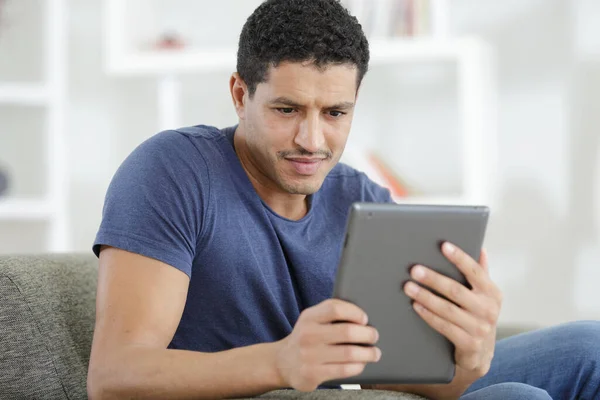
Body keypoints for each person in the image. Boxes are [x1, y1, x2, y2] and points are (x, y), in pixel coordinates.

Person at [87, 0, 600, 399]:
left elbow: (415, 381)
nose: (312, 140)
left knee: (590, 348)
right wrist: (281, 362)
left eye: (335, 113)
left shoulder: (361, 198)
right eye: (287, 109)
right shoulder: (173, 172)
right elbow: (113, 376)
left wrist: (469, 356)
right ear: (240, 95)